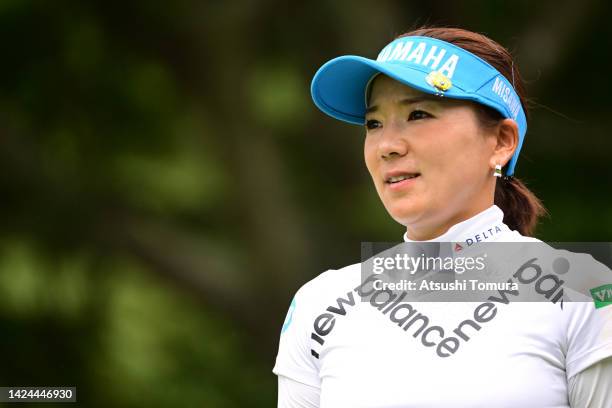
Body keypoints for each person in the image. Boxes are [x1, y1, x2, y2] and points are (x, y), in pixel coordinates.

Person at [273, 27, 612, 407]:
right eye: (374, 123)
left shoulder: (586, 292)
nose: (387, 146)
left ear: (501, 141)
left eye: (418, 114)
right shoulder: (320, 303)